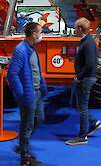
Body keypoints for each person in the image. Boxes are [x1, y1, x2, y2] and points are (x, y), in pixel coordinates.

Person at [7, 22, 47, 166]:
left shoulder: (31, 48)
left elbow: (35, 70)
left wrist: (42, 86)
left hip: (36, 93)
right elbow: (12, 74)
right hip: (28, 95)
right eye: (40, 32)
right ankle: (25, 159)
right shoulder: (21, 50)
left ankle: (23, 143)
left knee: (39, 119)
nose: (41, 35)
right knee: (27, 125)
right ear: (33, 34)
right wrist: (22, 94)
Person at [65, 17, 101, 146]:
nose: (74, 30)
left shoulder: (87, 42)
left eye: (75, 28)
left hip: (85, 79)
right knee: (81, 106)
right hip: (86, 78)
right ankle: (92, 123)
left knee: (82, 107)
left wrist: (79, 76)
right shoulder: (88, 41)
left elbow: (90, 64)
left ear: (80, 29)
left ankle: (82, 136)